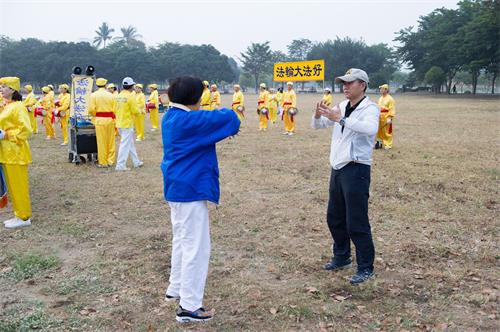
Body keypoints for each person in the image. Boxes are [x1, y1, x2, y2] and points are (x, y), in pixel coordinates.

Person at [161, 76, 240, 323]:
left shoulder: (171, 116)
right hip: (190, 189)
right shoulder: (189, 120)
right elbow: (230, 117)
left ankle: (176, 288)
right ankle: (189, 306)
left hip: (177, 187)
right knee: (196, 247)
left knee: (182, 241)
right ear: (196, 98)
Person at [312, 68, 379, 285]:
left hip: (357, 168)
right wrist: (318, 114)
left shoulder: (370, 108)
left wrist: (340, 120)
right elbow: (319, 125)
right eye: (344, 83)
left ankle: (366, 266)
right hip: (338, 167)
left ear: (363, 84)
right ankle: (341, 256)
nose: (345, 86)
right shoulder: (341, 106)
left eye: (350, 83)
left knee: (356, 220)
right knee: (335, 216)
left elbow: (369, 129)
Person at [0, 77, 33, 229]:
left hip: (16, 151)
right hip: (7, 151)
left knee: (19, 186)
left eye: (4, 87)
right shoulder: (8, 105)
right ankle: (18, 214)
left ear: (12, 89)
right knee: (13, 186)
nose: (1, 89)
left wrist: (6, 134)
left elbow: (26, 129)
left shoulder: (18, 107)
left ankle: (24, 216)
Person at [115, 77, 143, 171]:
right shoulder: (131, 96)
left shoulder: (118, 95)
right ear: (131, 86)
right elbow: (135, 110)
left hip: (119, 123)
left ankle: (136, 162)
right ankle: (120, 165)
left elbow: (114, 109)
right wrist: (140, 111)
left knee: (129, 144)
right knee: (125, 145)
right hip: (127, 123)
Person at [89, 78, 116, 168]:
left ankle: (103, 162)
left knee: (101, 142)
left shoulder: (93, 95)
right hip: (110, 120)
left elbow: (91, 110)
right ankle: (110, 161)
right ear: (105, 85)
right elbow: (115, 109)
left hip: (100, 120)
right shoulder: (111, 95)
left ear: (97, 85)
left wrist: (95, 115)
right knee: (111, 141)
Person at [375, 84, 396, 150]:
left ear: (386, 90)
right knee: (379, 131)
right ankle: (379, 143)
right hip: (380, 116)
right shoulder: (380, 98)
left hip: (386, 117)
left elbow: (392, 108)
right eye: (380, 89)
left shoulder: (390, 99)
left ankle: (388, 144)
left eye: (382, 89)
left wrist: (390, 117)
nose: (380, 90)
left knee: (386, 131)